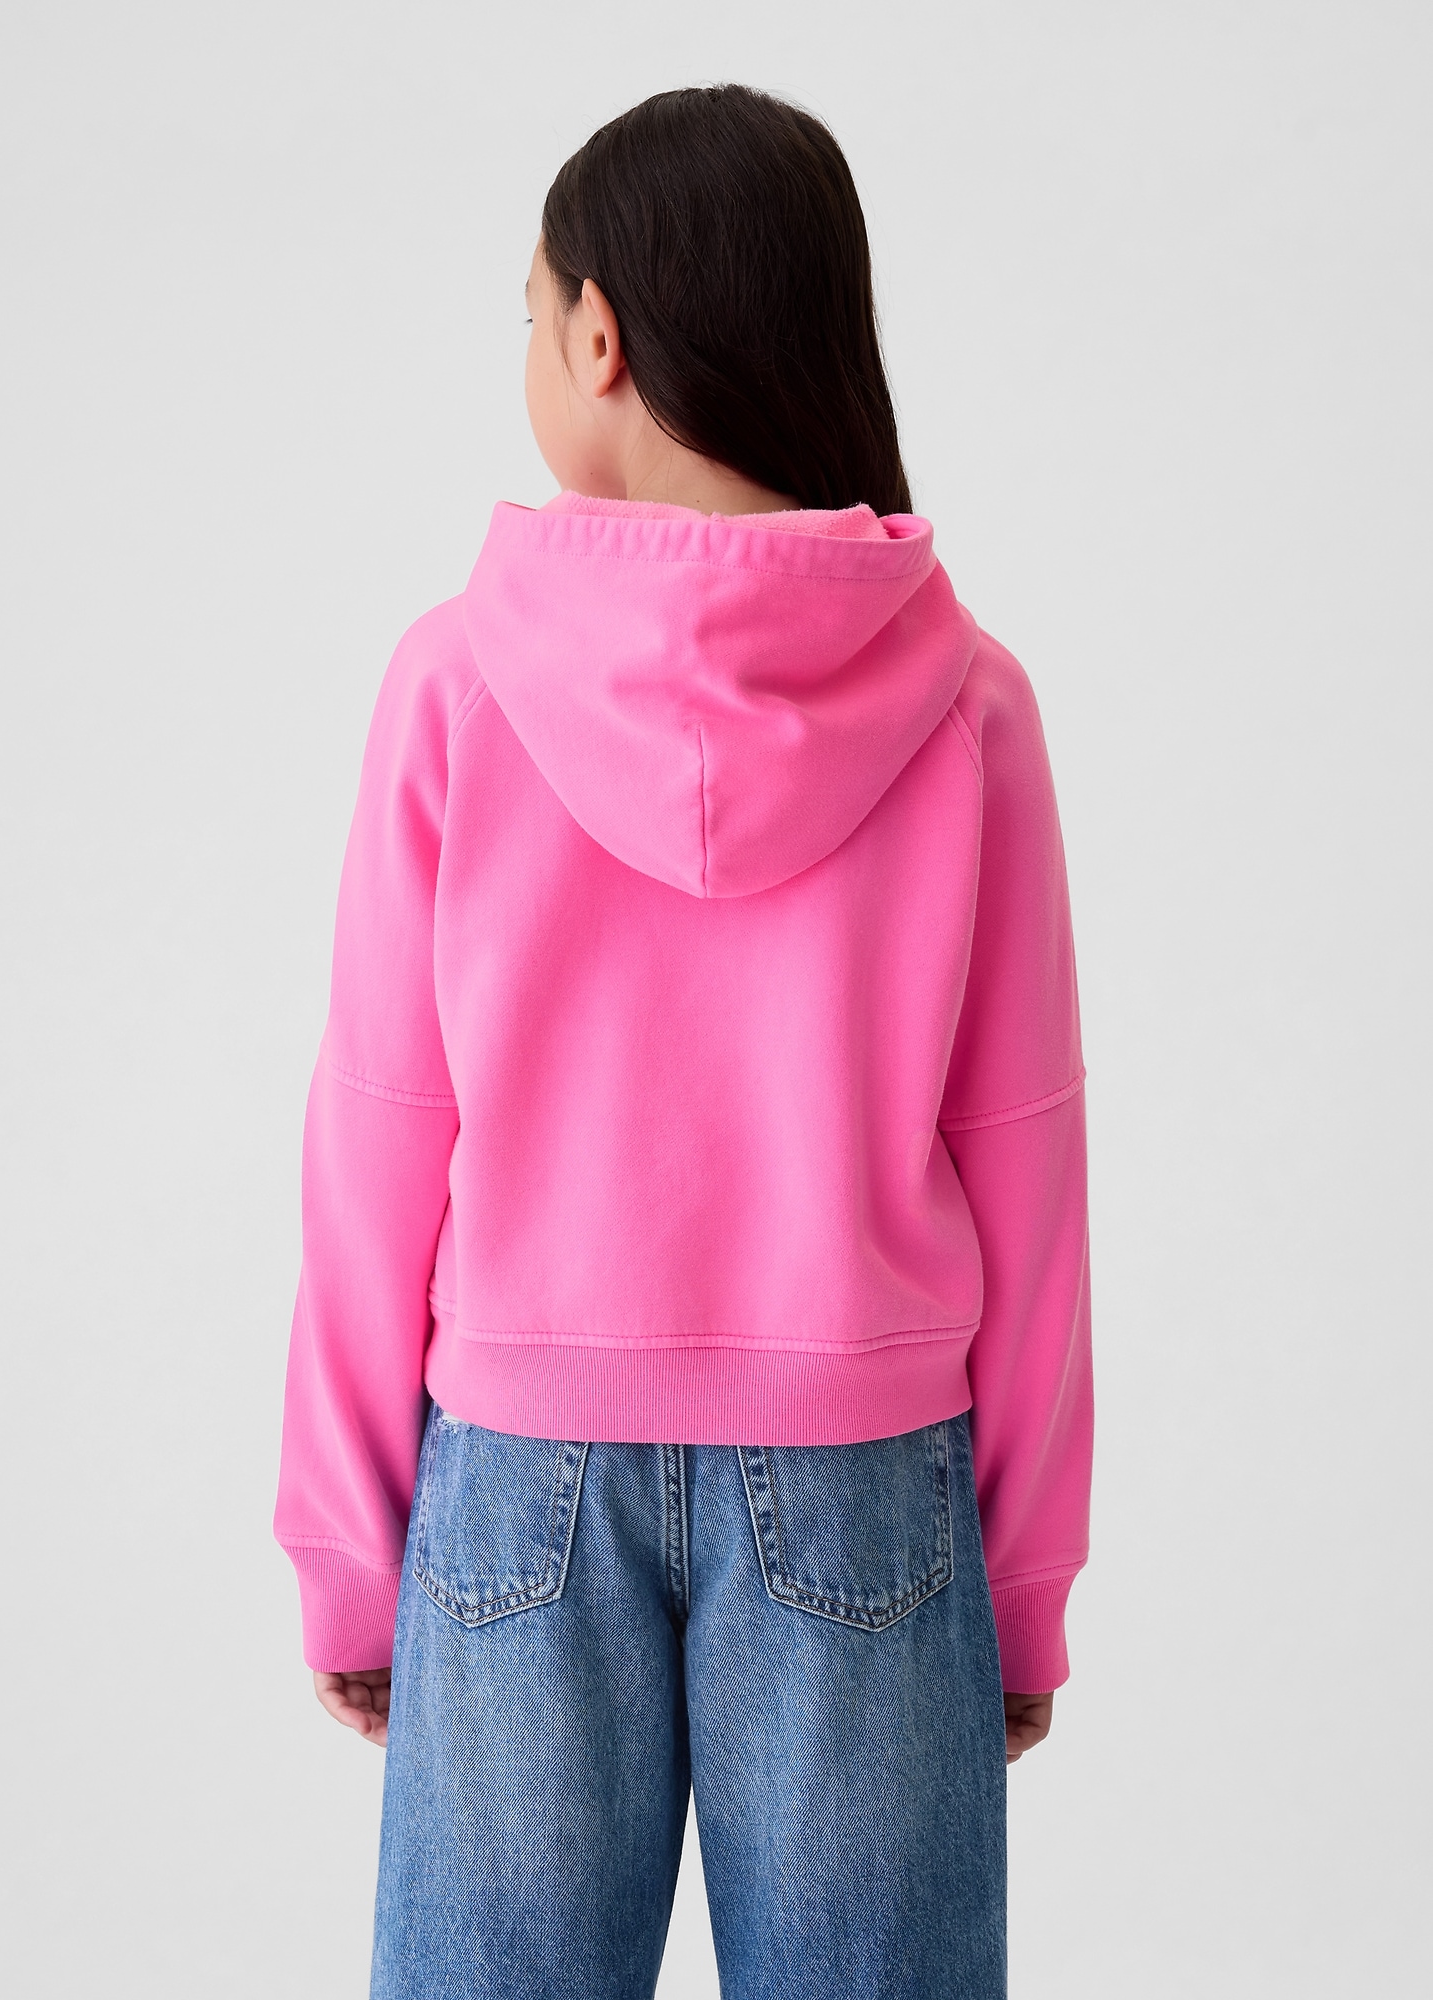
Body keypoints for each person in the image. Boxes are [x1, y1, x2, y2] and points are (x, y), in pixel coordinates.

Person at [274, 83, 1092, 2000]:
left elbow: (377, 1135)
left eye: (527, 309)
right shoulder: (970, 704)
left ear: (598, 338)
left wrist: (348, 1550)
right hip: (869, 1472)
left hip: (515, 1474)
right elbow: (1028, 1160)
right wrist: (1024, 1586)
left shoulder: (456, 683)